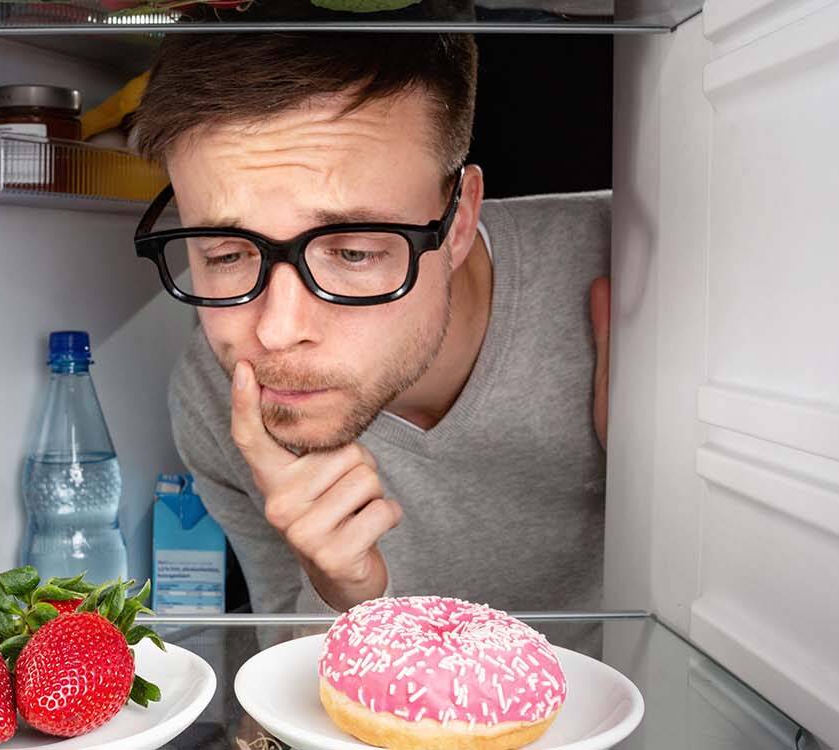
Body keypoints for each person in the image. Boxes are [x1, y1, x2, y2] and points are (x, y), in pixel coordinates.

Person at [131, 32, 611, 653]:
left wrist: (666, 480)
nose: (275, 332)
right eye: (226, 252)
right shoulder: (209, 393)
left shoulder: (653, 280)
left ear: (459, 220)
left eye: (352, 251)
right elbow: (273, 719)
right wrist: (341, 598)